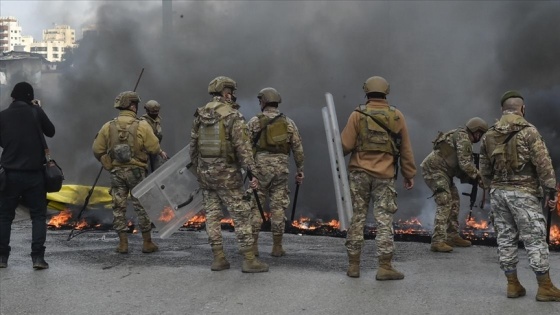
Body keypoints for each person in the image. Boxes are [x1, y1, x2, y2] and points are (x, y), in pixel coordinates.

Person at [480, 90, 560, 301]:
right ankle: (545, 287)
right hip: (523, 193)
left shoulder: (489, 134)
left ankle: (512, 285)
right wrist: (551, 191)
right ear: (522, 109)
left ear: (502, 110)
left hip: (499, 193)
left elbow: (484, 169)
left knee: (506, 239)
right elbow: (543, 164)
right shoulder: (528, 131)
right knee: (535, 239)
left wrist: (492, 188)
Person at [189, 76, 268, 273]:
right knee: (241, 216)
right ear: (226, 93)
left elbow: (193, 148)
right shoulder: (233, 116)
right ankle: (249, 260)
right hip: (227, 176)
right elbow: (244, 150)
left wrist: (200, 170)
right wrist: (253, 174)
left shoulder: (199, 115)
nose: (233, 96)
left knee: (213, 217)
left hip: (206, 175)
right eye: (231, 92)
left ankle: (219, 258)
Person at [341, 76, 416, 280]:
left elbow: (345, 146)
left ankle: (354, 266)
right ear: (386, 92)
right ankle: (384, 267)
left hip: (359, 175)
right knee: (384, 220)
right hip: (385, 176)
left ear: (366, 91)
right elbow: (406, 149)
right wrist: (409, 174)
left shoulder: (357, 115)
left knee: (357, 218)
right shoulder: (397, 116)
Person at [92, 91, 167, 254]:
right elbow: (154, 148)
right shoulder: (142, 125)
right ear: (133, 106)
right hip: (137, 172)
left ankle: (123, 244)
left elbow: (97, 149)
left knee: (118, 207)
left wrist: (107, 162)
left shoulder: (108, 126)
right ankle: (147, 243)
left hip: (116, 172)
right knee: (142, 206)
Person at [0, 82, 55, 269]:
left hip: (9, 174)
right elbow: (51, 131)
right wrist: (38, 109)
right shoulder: (35, 112)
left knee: (5, 217)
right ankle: (38, 258)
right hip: (34, 175)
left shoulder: (3, 115)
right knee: (38, 216)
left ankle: (2, 258)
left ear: (13, 97)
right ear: (30, 97)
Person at [247, 87, 305, 257]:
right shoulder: (288, 123)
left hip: (260, 170)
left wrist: (249, 169)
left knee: (256, 206)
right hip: (281, 169)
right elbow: (298, 148)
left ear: (263, 102)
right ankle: (277, 247)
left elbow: (244, 147)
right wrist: (300, 170)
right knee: (278, 207)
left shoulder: (254, 122)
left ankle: (253, 247)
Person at [421, 117, 488, 252]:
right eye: (480, 133)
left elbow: (459, 165)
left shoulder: (461, 136)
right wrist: (480, 177)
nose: (480, 137)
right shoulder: (463, 139)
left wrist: (476, 178)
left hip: (444, 173)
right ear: (475, 131)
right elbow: (465, 164)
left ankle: (452, 236)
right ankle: (438, 241)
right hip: (435, 171)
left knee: (455, 200)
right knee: (445, 201)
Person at [140, 100, 167, 172]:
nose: (155, 114)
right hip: (145, 153)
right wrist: (160, 151)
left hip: (155, 151)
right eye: (153, 112)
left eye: (156, 112)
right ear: (147, 111)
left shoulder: (157, 121)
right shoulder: (143, 123)